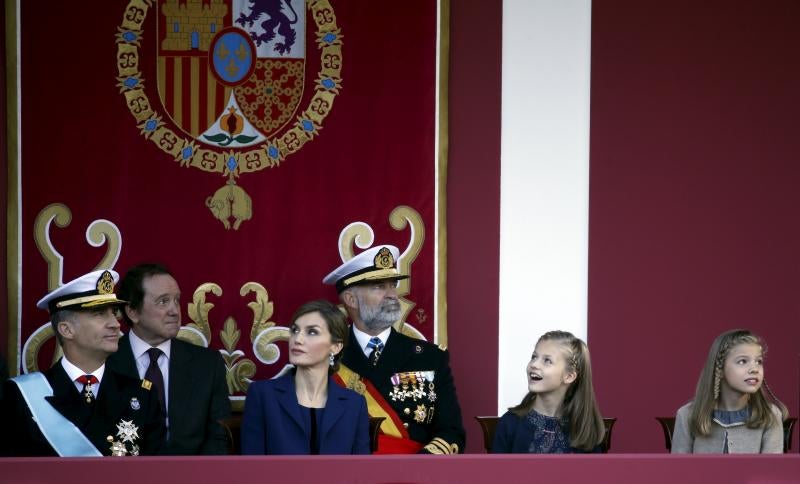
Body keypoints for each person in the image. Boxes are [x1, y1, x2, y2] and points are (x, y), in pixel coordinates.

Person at [0, 269, 165, 456]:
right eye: (99, 314)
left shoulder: (142, 395)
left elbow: (155, 472)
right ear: (66, 329)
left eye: (113, 313)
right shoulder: (22, 395)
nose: (115, 323)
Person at [323, 244, 465, 454]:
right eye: (379, 287)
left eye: (393, 285)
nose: (392, 294)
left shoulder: (430, 358)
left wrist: (420, 467)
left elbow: (451, 432)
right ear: (351, 299)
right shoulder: (325, 357)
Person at [106, 263, 231, 455]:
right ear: (132, 311)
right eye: (163, 302)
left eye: (176, 300)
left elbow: (217, 439)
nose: (174, 311)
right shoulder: (105, 361)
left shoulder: (208, 365)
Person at [241, 300, 370, 454]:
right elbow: (252, 469)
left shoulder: (355, 404)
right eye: (295, 330)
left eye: (312, 332)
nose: (297, 339)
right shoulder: (262, 395)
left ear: (335, 347)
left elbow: (360, 473)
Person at [671, 329, 788, 454]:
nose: (754, 369)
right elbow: (678, 471)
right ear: (719, 370)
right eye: (742, 361)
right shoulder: (686, 415)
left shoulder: (771, 416)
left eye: (758, 361)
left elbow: (770, 471)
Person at [492, 330, 605, 453]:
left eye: (547, 361)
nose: (534, 364)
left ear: (569, 376)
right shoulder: (509, 424)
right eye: (534, 357)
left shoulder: (585, 431)